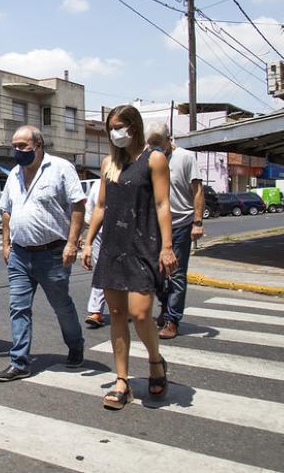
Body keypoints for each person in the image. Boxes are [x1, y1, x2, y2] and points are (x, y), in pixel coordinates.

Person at [82, 105, 177, 410]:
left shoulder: (155, 159)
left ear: (134, 126)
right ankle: (122, 380)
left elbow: (163, 204)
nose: (115, 132)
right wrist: (87, 243)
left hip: (144, 245)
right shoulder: (109, 162)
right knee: (118, 315)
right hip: (113, 247)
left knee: (140, 313)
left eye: (120, 126)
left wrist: (166, 246)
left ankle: (155, 360)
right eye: (111, 127)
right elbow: (100, 206)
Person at [0, 125, 86, 382]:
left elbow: (78, 205)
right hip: (20, 254)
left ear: (39, 146)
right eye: (14, 146)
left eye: (22, 146)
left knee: (61, 305)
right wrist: (6, 243)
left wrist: (71, 244)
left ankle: (75, 345)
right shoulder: (13, 174)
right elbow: (7, 210)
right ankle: (19, 362)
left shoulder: (60, 168)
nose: (17, 151)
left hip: (52, 253)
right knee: (18, 308)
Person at [145, 121, 205, 339]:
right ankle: (165, 307)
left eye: (158, 143)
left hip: (181, 223)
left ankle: (172, 319)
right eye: (150, 144)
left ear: (169, 138)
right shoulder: (149, 157)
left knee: (177, 274)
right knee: (155, 273)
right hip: (156, 225)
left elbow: (197, 190)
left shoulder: (186, 157)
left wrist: (197, 222)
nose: (154, 148)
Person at [83, 179, 106, 329]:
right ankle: (96, 311)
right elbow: (91, 209)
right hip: (100, 234)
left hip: (127, 235)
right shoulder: (98, 185)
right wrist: (88, 241)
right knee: (101, 271)